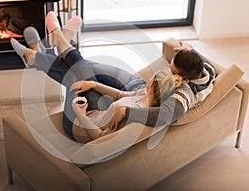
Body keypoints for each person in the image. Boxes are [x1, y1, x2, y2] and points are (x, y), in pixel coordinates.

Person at [11, 11, 216, 141]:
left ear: (185, 80)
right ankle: (51, 47)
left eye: (171, 70)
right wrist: (188, 51)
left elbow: (164, 115)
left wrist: (127, 113)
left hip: (88, 118)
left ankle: (51, 47)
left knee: (78, 71)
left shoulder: (180, 99)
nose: (166, 68)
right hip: (134, 92)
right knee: (89, 68)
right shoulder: (204, 70)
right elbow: (120, 97)